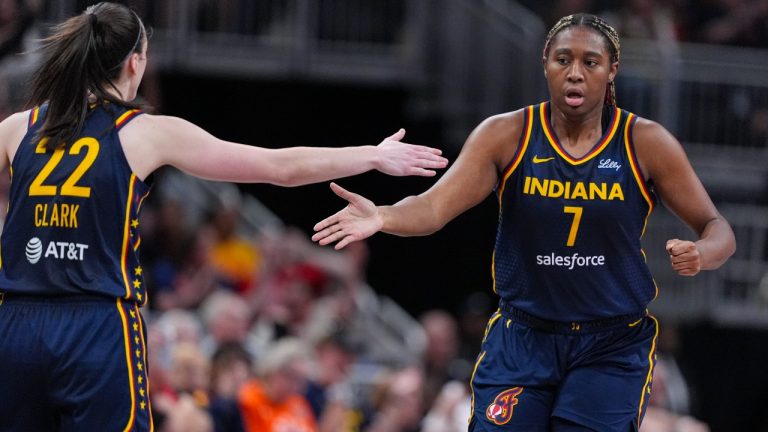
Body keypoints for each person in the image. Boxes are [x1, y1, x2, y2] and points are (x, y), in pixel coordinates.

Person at [0, 2, 448, 431]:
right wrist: (372, 154)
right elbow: (280, 168)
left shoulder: (17, 127)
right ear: (135, 64)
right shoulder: (148, 133)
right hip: (96, 324)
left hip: (17, 323)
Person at [313, 13, 736, 431]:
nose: (575, 73)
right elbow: (432, 208)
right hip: (524, 335)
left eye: (590, 62)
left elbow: (718, 228)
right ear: (545, 63)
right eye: (563, 59)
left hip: (610, 343)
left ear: (612, 71)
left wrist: (702, 253)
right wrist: (382, 215)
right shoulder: (506, 134)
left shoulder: (645, 142)